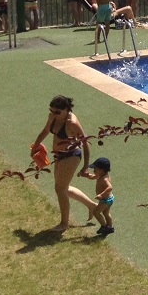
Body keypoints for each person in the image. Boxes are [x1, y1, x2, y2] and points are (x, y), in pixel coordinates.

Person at [32, 95, 97, 232]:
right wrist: (35, 147)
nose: (53, 114)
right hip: (59, 155)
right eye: (51, 110)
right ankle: (92, 206)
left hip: (71, 155)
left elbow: (85, 143)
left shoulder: (72, 123)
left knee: (60, 189)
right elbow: (45, 131)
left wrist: (85, 166)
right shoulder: (52, 117)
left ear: (66, 109)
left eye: (57, 112)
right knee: (64, 188)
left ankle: (64, 224)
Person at [85, 157, 115, 236]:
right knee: (106, 213)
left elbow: (110, 187)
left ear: (102, 170)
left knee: (95, 212)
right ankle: (110, 227)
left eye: (95, 169)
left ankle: (104, 226)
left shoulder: (105, 179)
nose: (93, 170)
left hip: (106, 200)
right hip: (108, 199)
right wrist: (86, 175)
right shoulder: (100, 175)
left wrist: (101, 194)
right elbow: (92, 177)